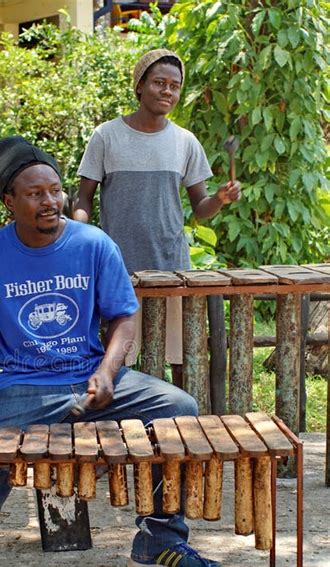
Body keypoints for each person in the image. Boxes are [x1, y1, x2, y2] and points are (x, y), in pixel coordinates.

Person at [0, 136, 223, 567]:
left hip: (93, 380)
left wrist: (106, 371)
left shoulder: (94, 243)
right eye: (35, 193)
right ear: (9, 201)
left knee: (179, 407)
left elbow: (123, 318)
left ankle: (159, 539)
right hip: (25, 387)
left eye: (55, 190)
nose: (50, 201)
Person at [74, 48, 241, 385]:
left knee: (177, 354)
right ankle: (122, 425)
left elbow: (200, 208)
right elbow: (84, 197)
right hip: (117, 265)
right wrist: (77, 238)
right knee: (119, 354)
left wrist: (220, 198)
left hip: (171, 264)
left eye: (175, 86)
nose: (168, 91)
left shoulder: (185, 142)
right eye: (159, 83)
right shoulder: (106, 136)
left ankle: (177, 425)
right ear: (139, 87)